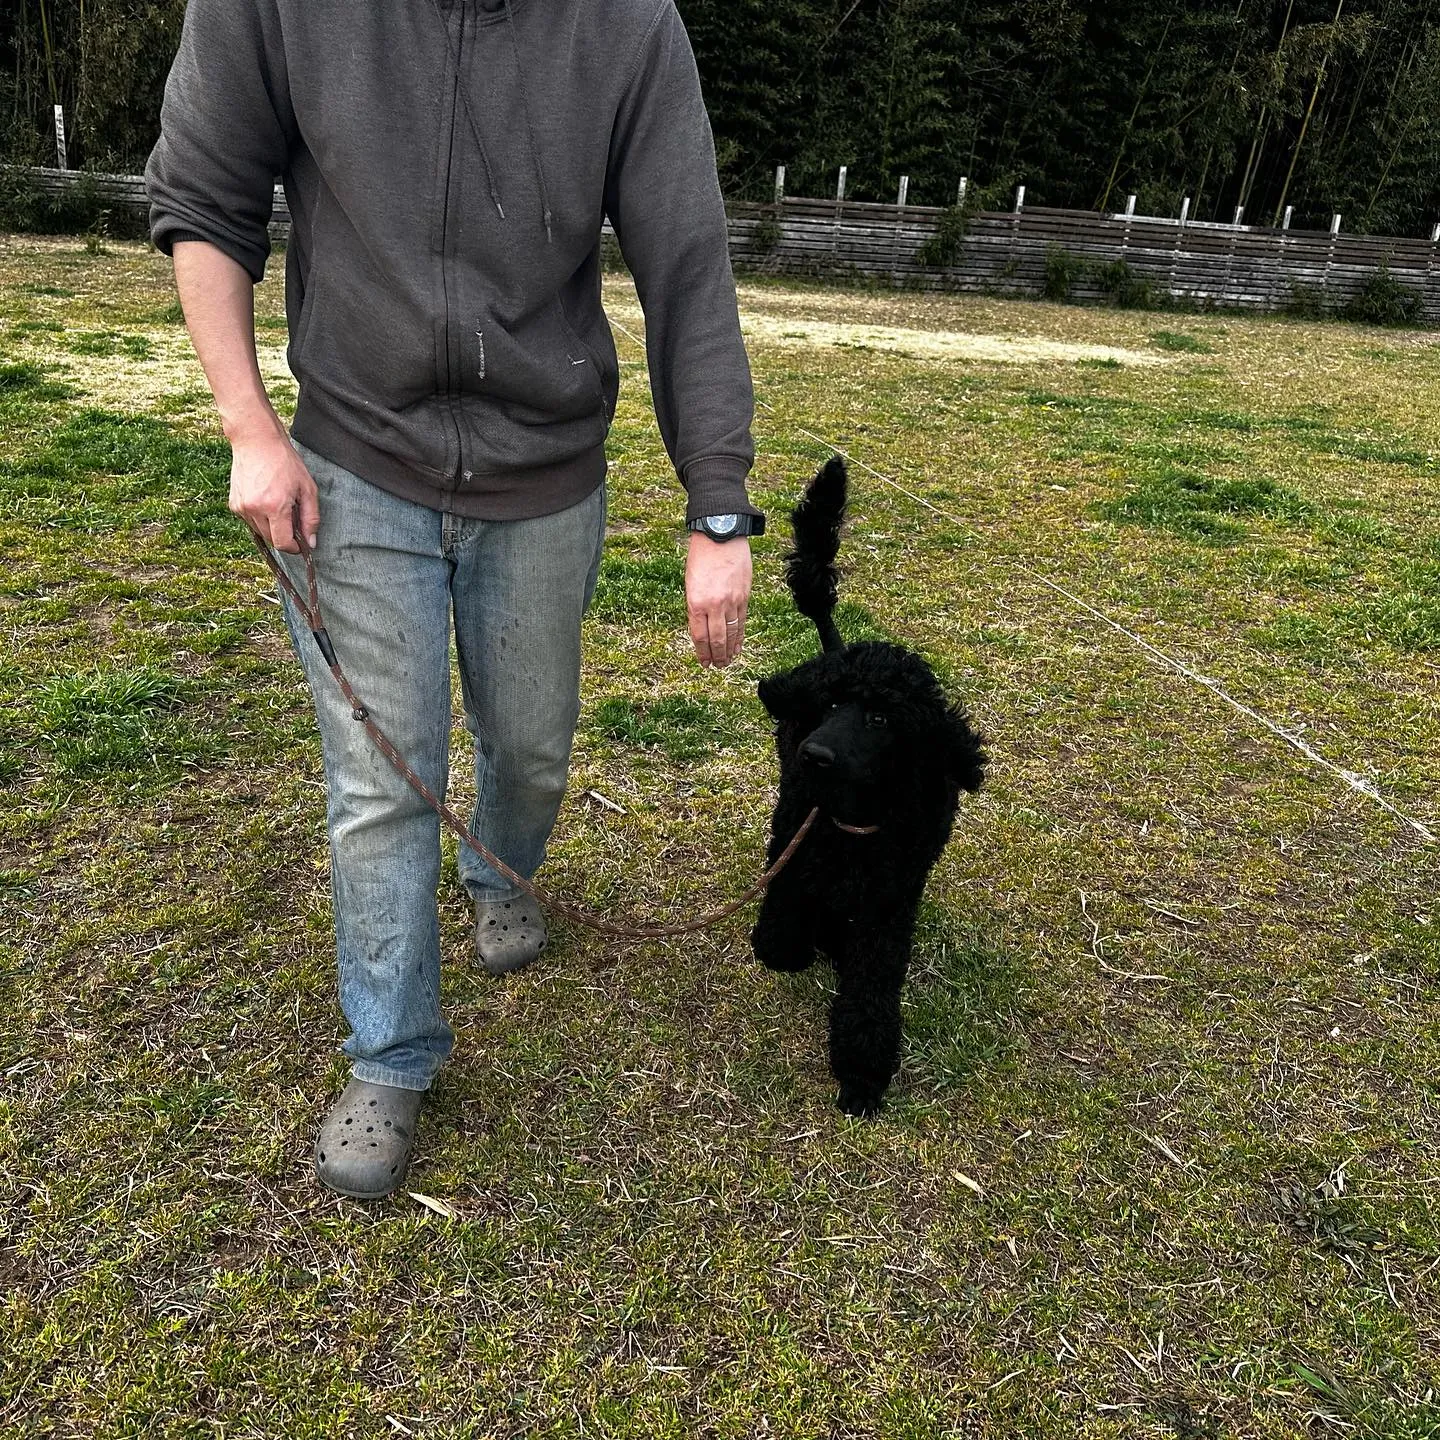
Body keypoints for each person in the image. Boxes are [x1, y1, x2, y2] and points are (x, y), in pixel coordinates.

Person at [145, 0, 764, 1200]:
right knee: (385, 778)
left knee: (528, 748)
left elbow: (688, 257)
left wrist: (718, 506)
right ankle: (391, 1052)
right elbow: (205, 201)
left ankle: (502, 872)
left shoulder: (629, 25)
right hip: (353, 461)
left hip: (546, 470)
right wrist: (248, 429)